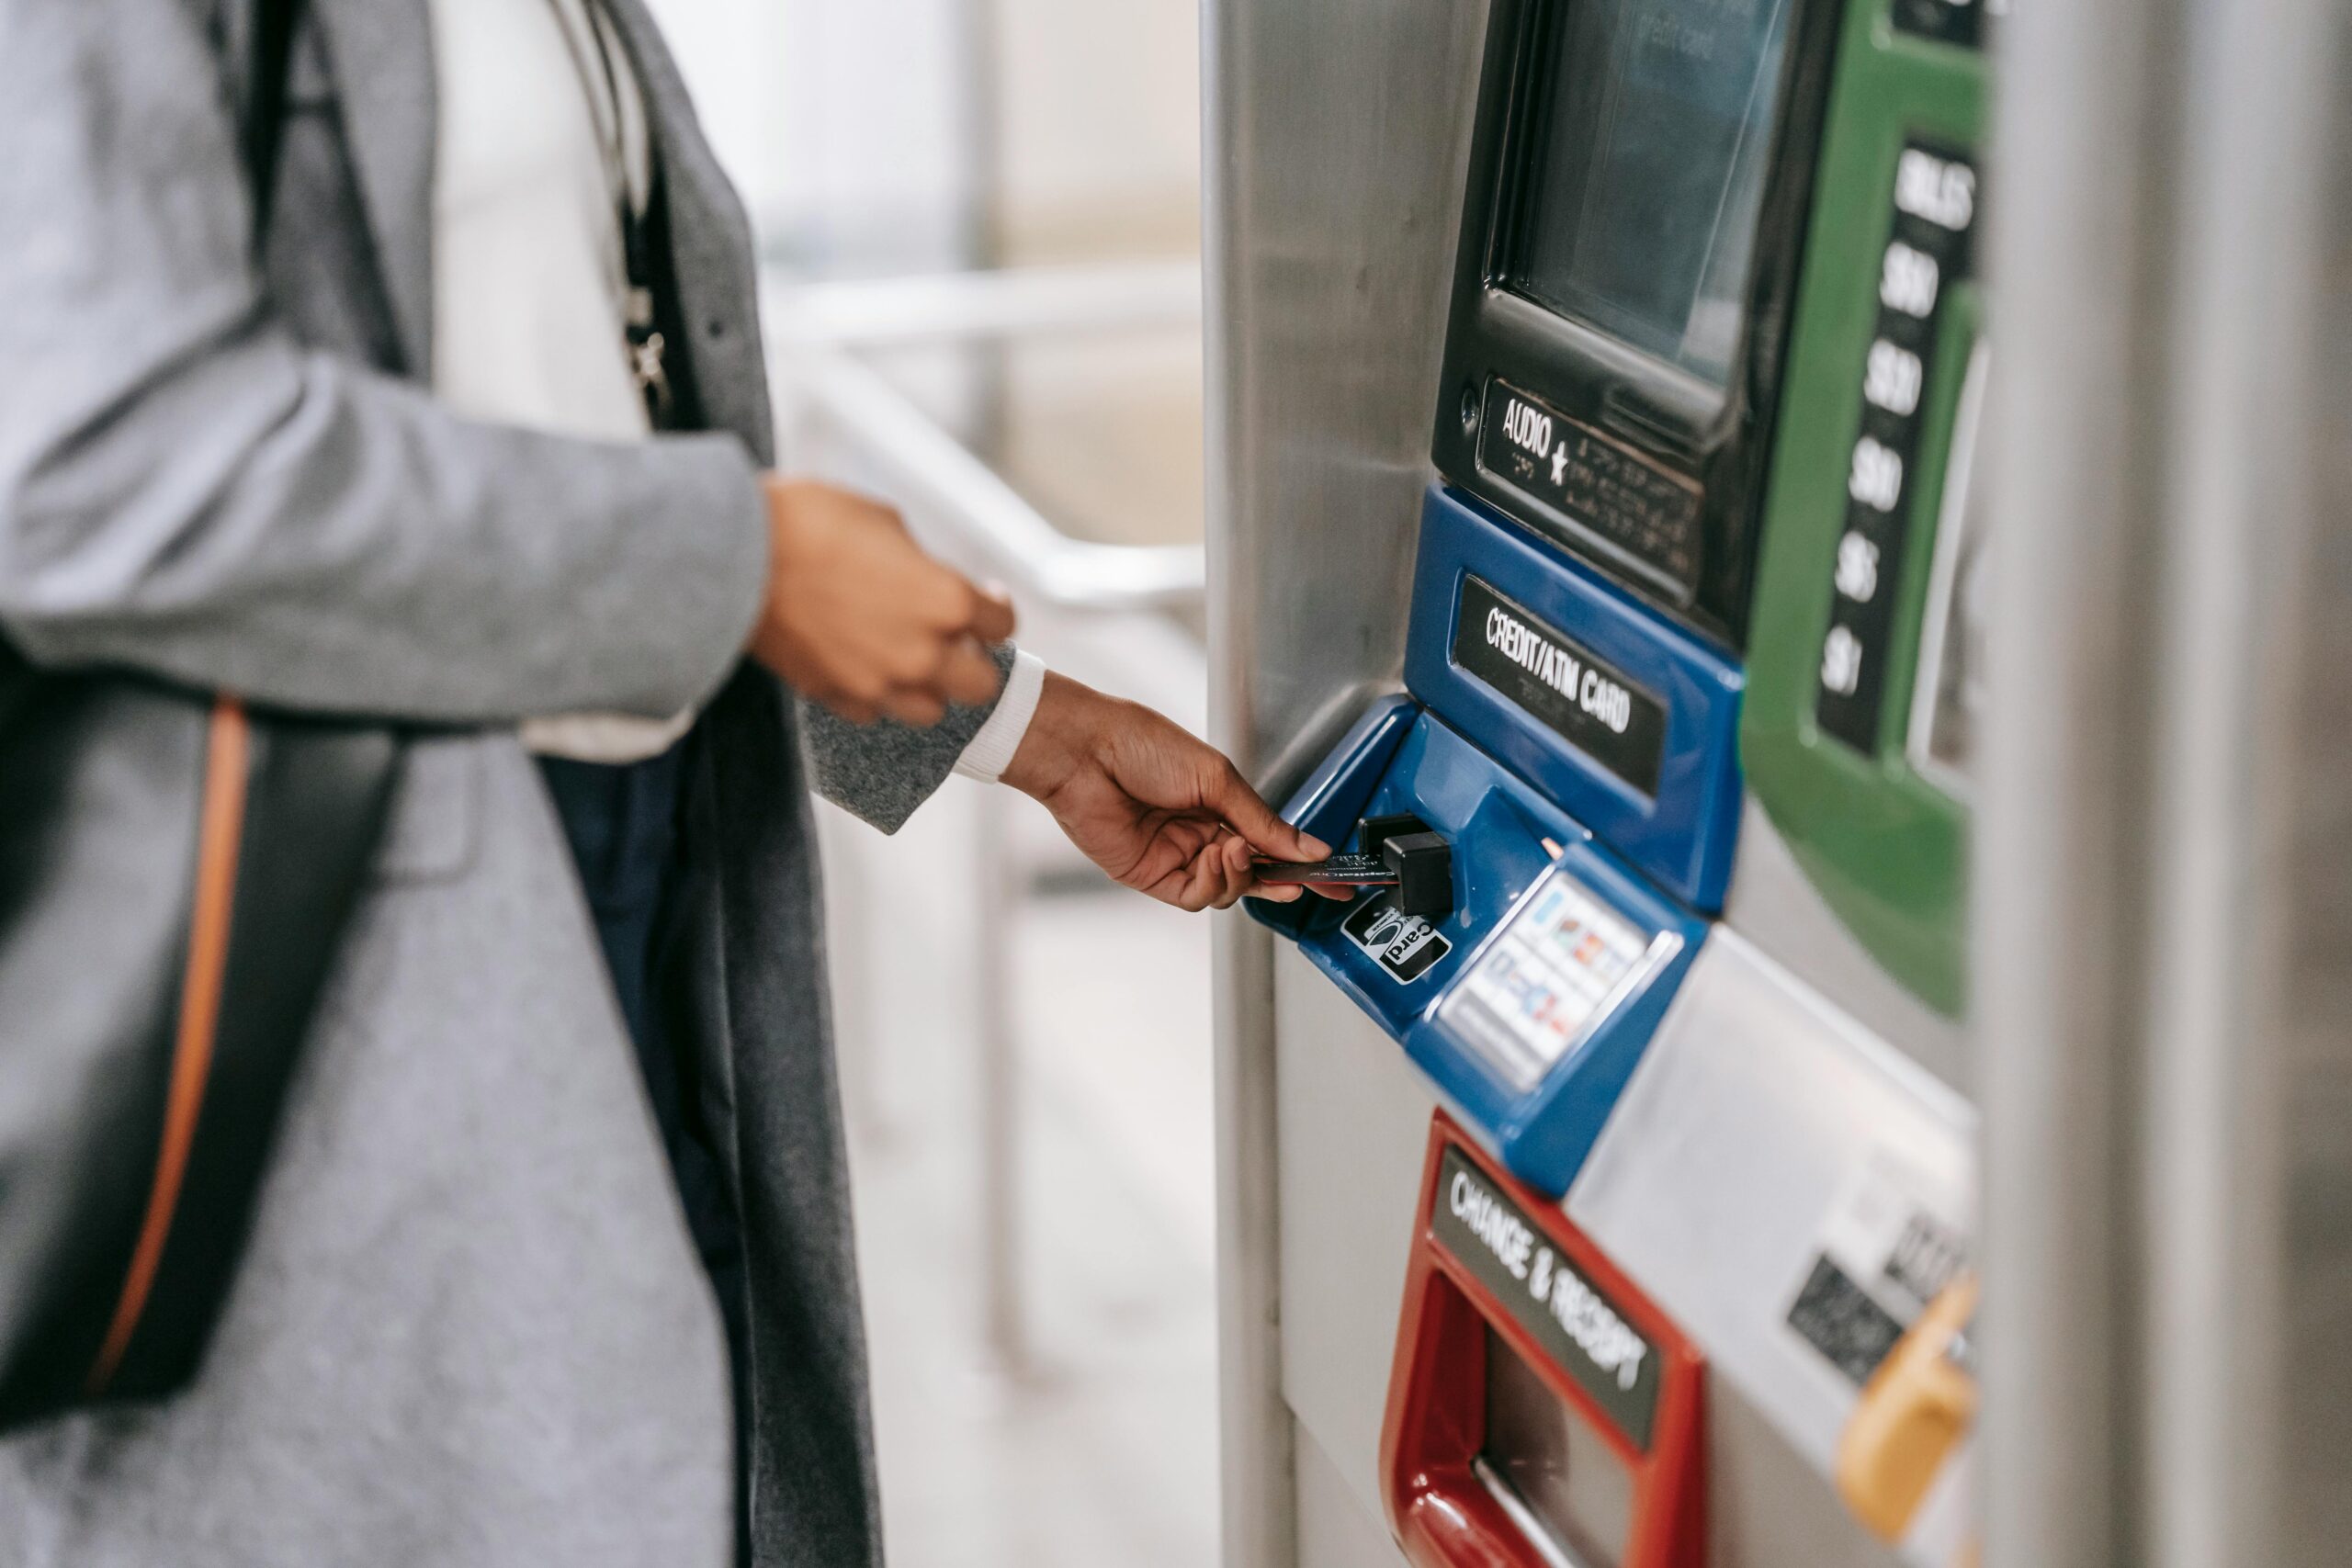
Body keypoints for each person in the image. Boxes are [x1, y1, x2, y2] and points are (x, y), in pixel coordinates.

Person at [0, 1, 1327, 1564]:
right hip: (334, 990)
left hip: (631, 893)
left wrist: (1013, 727)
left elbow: (567, 404)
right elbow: (92, 466)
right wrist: (745, 563)